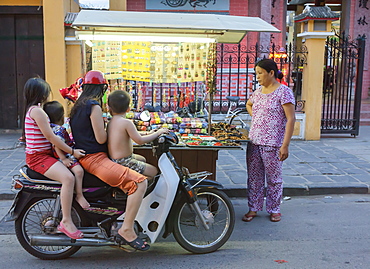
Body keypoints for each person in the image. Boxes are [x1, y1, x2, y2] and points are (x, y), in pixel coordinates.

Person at [69, 70, 150, 251]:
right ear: (102, 88)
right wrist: (112, 128)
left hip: (87, 158)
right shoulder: (94, 106)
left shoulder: (78, 105)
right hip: (95, 159)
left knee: (141, 162)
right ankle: (127, 229)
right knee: (140, 183)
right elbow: (100, 139)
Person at [23, 77, 86, 239]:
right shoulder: (37, 111)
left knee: (75, 172)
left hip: (45, 155)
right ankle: (66, 221)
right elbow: (52, 137)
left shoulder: (34, 110)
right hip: (39, 158)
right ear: (43, 94)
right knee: (68, 179)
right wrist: (72, 152)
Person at [243, 59, 295, 223]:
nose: (257, 76)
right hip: (254, 142)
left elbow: (291, 119)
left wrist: (285, 145)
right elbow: (248, 104)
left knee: (274, 179)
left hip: (273, 144)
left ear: (271, 73)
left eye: (260, 73)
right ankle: (253, 208)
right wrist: (257, 117)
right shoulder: (257, 92)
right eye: (256, 73)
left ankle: (274, 209)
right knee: (254, 177)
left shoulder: (284, 92)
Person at [107, 90, 168, 179]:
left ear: (110, 108)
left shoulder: (111, 122)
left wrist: (147, 133)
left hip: (117, 159)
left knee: (142, 159)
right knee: (154, 171)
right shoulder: (126, 122)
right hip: (124, 161)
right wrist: (158, 133)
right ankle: (137, 185)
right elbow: (139, 141)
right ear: (128, 108)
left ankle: (135, 181)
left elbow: (131, 134)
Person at [43, 100, 90, 209]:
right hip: (65, 155)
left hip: (64, 153)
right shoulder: (58, 130)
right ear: (61, 116)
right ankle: (79, 195)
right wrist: (64, 158)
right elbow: (56, 144)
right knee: (79, 171)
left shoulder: (50, 127)